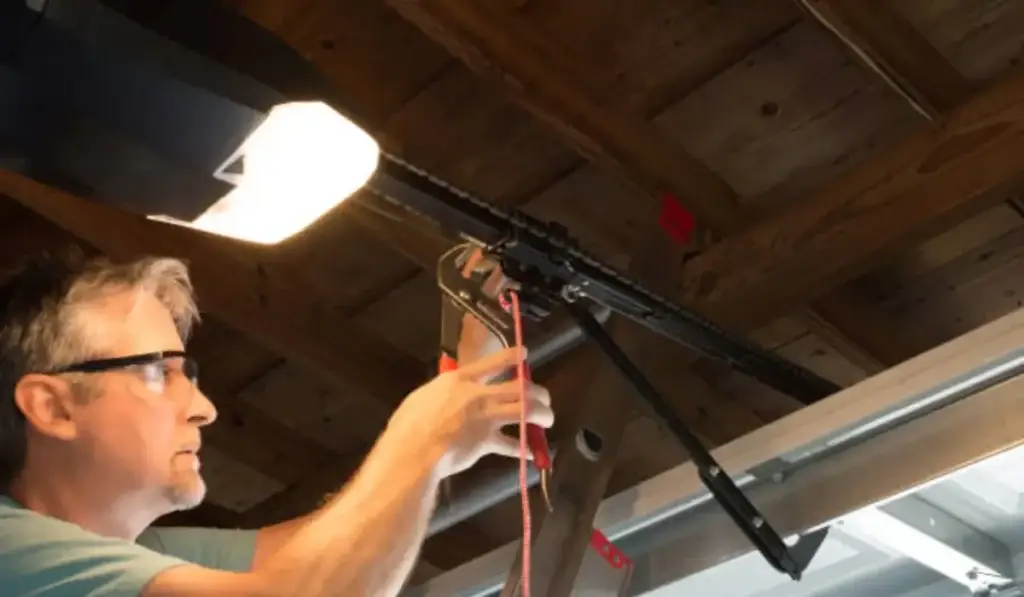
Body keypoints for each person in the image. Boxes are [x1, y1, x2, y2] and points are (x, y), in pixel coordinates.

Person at [0, 249, 555, 596]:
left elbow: (327, 551)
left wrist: (465, 380)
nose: (203, 407)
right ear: (53, 407)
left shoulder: (146, 558)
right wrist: (420, 443)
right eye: (159, 372)